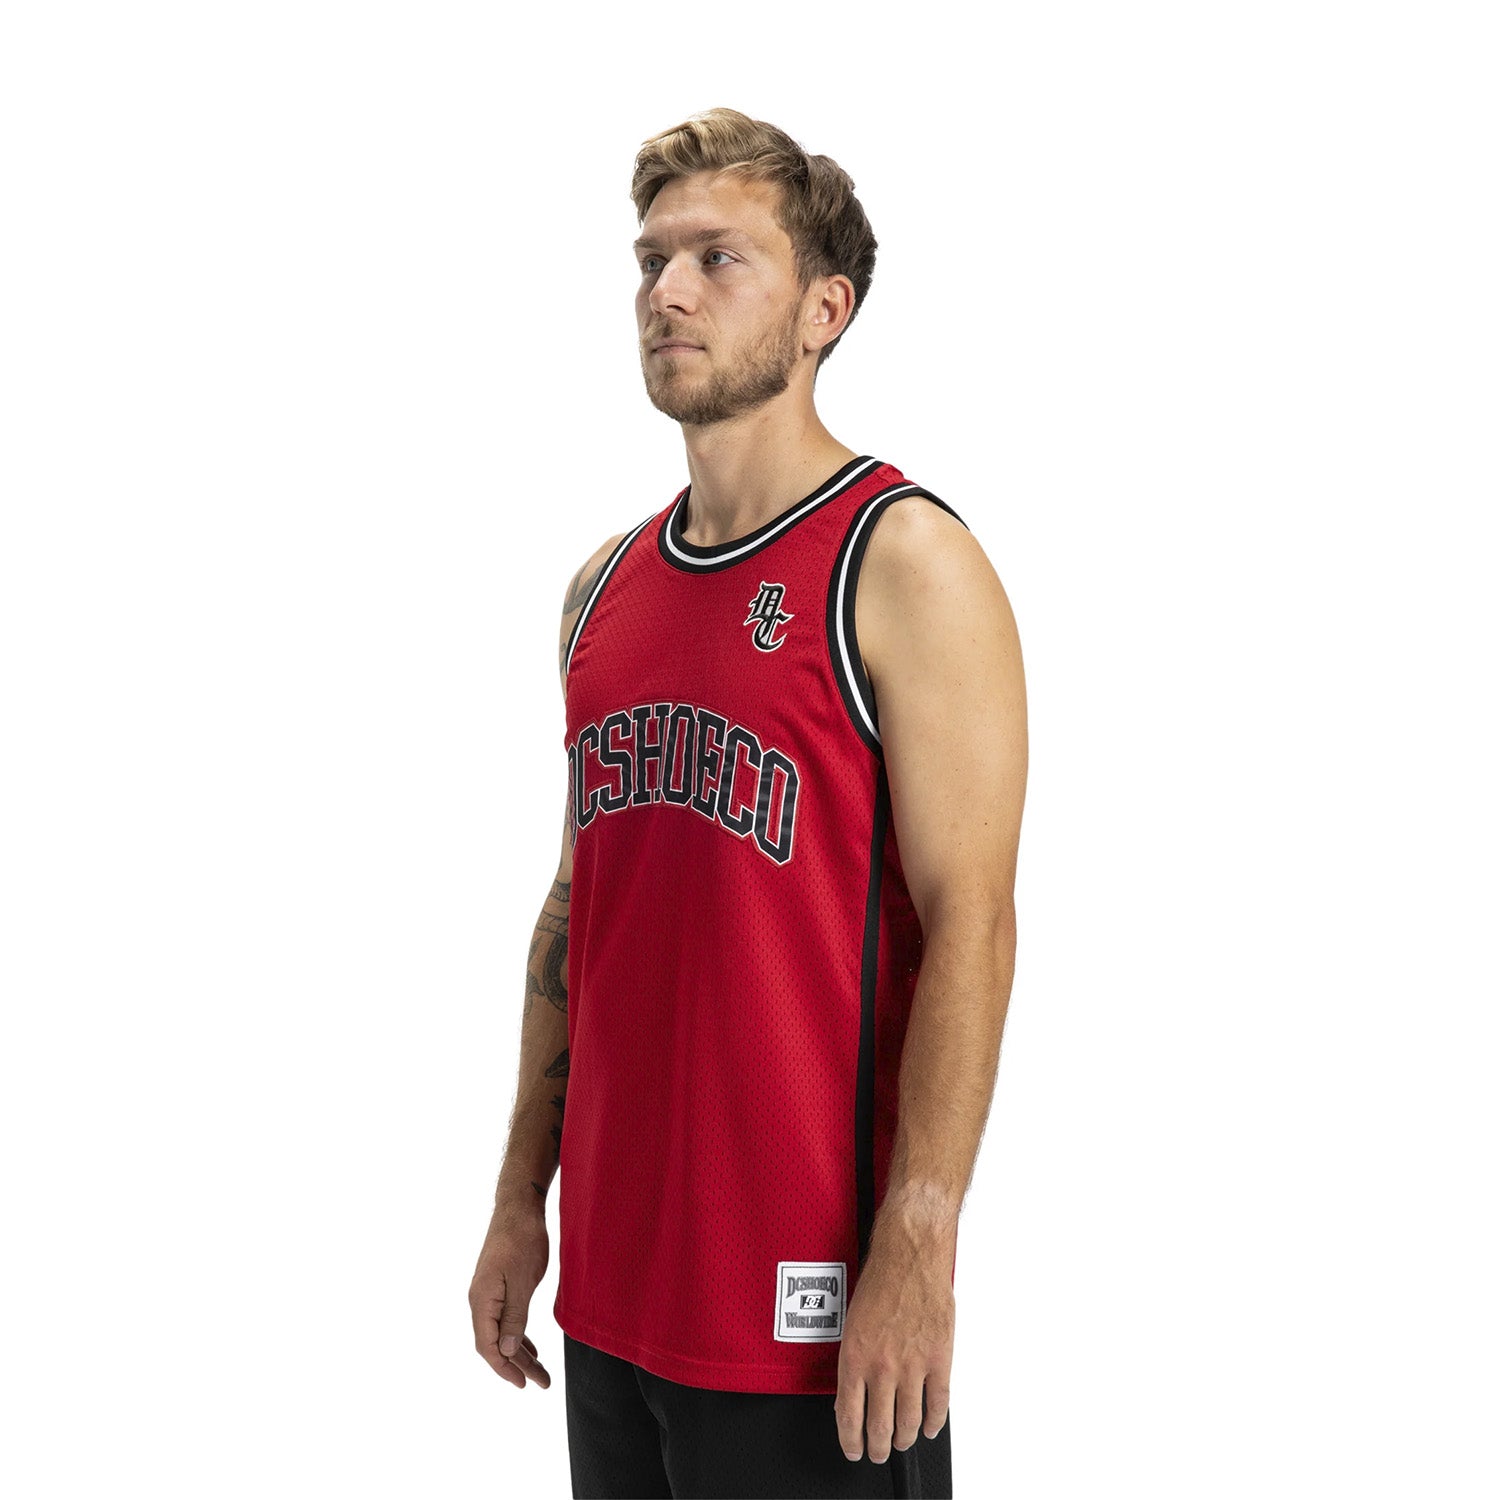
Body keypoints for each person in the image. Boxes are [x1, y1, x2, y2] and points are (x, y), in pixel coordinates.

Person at [470, 106, 1027, 1499]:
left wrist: (920, 1242)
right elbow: (576, 909)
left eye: (719, 258)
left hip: (806, 1318)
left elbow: (973, 920)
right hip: (612, 1298)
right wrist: (518, 1200)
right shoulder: (601, 588)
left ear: (825, 309)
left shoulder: (900, 561)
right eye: (652, 259)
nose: (667, 290)